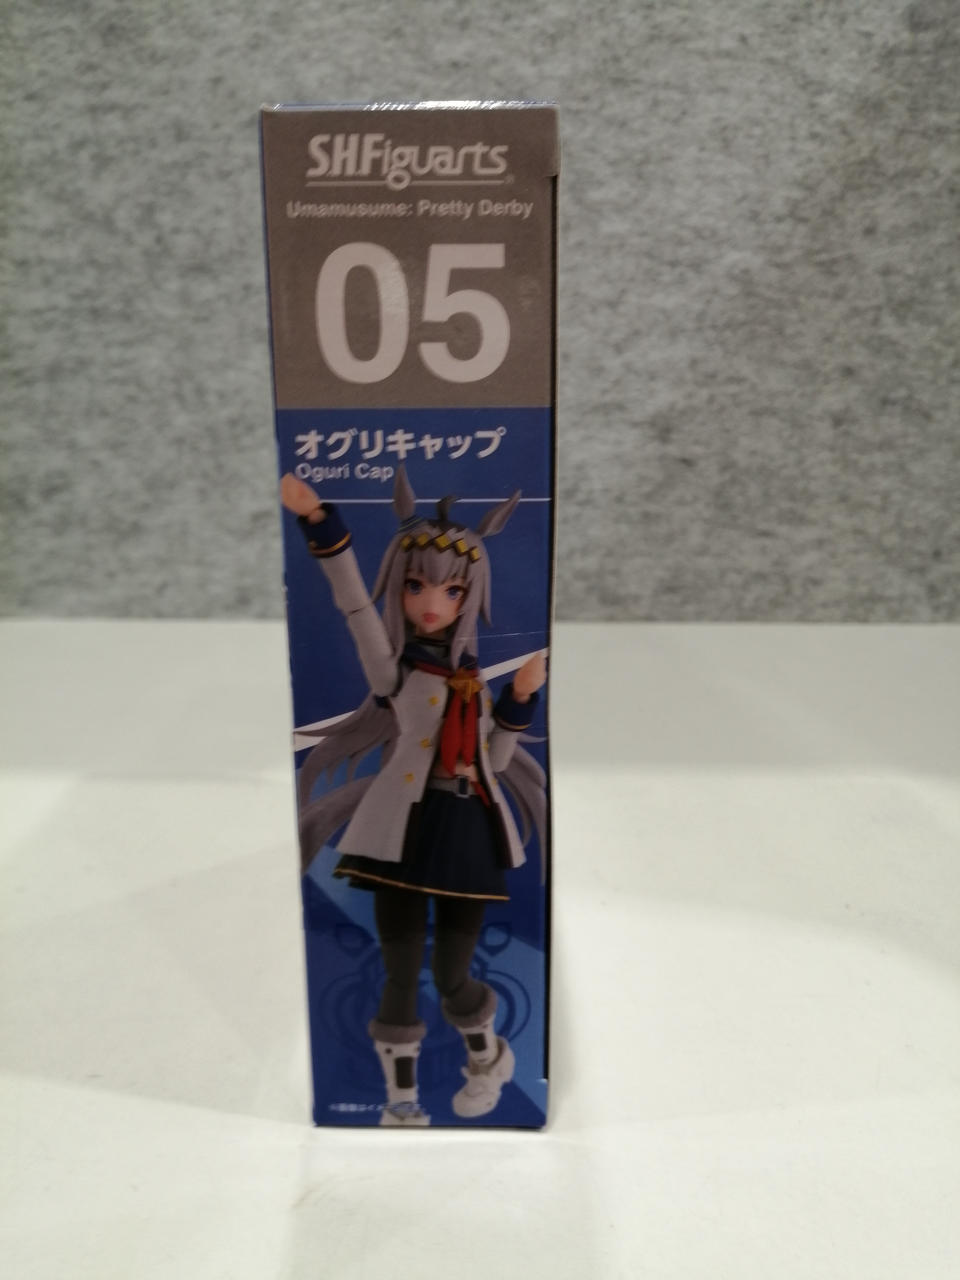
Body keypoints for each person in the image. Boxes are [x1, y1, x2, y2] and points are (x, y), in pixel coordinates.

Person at [281, 467, 547, 1125]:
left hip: (467, 833)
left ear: (468, 597)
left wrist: (517, 702)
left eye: (451, 590)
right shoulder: (395, 670)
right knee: (399, 971)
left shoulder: (471, 682)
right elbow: (354, 607)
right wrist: (322, 523)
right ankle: (401, 1104)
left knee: (454, 975)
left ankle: (489, 1060)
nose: (432, 602)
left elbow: (495, 762)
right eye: (416, 585)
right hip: (401, 830)